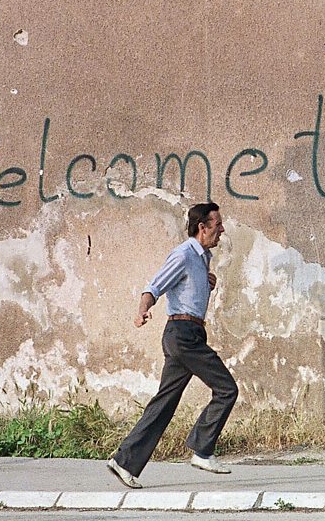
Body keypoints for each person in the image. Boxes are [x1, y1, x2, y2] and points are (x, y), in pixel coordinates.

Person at [107, 202, 238, 489]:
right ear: (202, 227)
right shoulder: (183, 254)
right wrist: (142, 310)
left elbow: (187, 288)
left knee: (164, 402)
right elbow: (154, 286)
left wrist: (206, 281)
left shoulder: (202, 258)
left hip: (188, 334)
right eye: (217, 224)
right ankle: (202, 450)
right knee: (227, 389)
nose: (222, 229)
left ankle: (124, 461)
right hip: (183, 335)